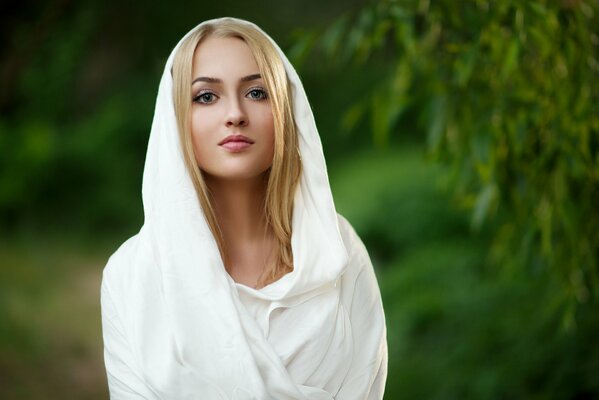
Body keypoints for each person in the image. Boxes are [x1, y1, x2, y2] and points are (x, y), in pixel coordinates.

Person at [100, 17, 387, 399]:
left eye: (256, 93)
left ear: (285, 111)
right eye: (206, 96)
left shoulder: (339, 251)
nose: (235, 113)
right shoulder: (132, 275)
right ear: (175, 120)